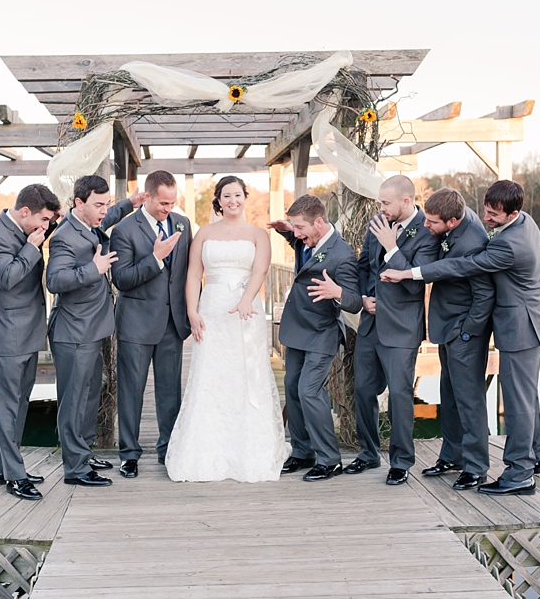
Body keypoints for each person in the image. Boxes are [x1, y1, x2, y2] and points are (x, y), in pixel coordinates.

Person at [383, 180, 540, 496]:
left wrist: (408, 274)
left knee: (516, 403)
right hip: (506, 322)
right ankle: (531, 457)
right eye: (486, 210)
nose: (487, 218)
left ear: (514, 213)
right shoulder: (516, 221)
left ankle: (517, 474)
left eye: (494, 215)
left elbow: (465, 267)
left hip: (517, 325)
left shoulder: (506, 244)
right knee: (519, 397)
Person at [166, 177, 291, 482]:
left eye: (238, 195)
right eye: (226, 195)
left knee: (248, 375)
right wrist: (193, 311)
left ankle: (250, 450)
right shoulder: (205, 233)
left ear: (245, 198)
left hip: (246, 312)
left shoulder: (258, 233)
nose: (233, 200)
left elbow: (260, 269)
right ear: (218, 200)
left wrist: (247, 300)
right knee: (211, 374)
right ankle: (206, 451)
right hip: (212, 310)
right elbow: (194, 274)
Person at [46, 175, 138, 487]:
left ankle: (83, 452)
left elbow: (108, 215)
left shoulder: (88, 223)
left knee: (88, 396)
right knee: (73, 401)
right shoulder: (63, 237)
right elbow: (54, 280)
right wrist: (93, 270)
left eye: (107, 204)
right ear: (78, 203)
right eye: (98, 205)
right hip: (73, 331)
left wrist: (130, 204)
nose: (104, 211)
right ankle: (75, 469)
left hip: (94, 327)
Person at [348, 175, 440, 486]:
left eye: (386, 203)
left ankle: (401, 462)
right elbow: (363, 266)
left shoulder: (426, 230)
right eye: (380, 202)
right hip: (371, 323)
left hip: (402, 326)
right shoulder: (378, 221)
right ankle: (369, 452)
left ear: (405, 201)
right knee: (363, 390)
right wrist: (364, 297)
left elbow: (419, 279)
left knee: (400, 394)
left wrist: (391, 247)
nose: (381, 208)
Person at [267, 194, 362, 482]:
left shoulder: (342, 255)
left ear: (319, 222)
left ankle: (330, 459)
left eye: (300, 228)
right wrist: (287, 229)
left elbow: (355, 302)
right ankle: (302, 452)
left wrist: (338, 294)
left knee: (309, 389)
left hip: (322, 331)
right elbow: (299, 243)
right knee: (293, 387)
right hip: (297, 328)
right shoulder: (306, 238)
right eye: (294, 228)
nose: (297, 235)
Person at [110, 170, 192, 478]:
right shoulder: (124, 229)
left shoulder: (184, 224)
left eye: (172, 203)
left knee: (170, 391)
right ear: (147, 196)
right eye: (162, 203)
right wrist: (155, 259)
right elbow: (122, 279)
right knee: (131, 391)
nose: (168, 209)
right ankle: (129, 454)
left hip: (173, 322)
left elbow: (185, 273)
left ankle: (168, 449)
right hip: (136, 323)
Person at [0, 184, 60, 501]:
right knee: (7, 409)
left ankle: (2, 469)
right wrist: (31, 247)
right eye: (42, 219)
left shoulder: (32, 226)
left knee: (17, 407)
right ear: (24, 212)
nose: (45, 227)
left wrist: (54, 221)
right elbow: (8, 277)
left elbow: (45, 226)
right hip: (7, 336)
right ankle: (16, 477)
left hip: (27, 332)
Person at [419, 188, 495, 491]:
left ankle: (476, 468)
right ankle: (452, 456)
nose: (427, 227)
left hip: (464, 332)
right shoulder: (456, 222)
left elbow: (484, 294)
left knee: (470, 401)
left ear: (452, 221)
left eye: (432, 222)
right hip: (446, 326)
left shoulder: (473, 242)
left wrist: (468, 331)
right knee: (449, 395)